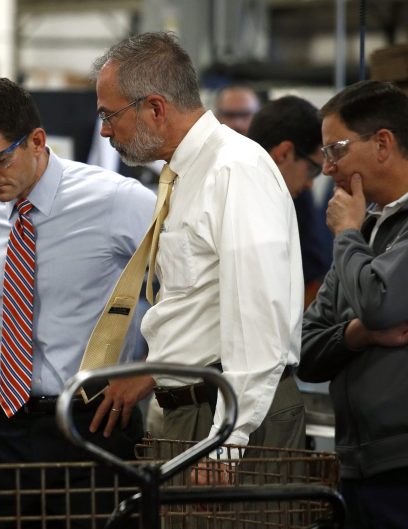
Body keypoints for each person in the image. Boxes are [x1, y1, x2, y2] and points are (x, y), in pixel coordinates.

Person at [0, 76, 156, 526]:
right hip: (4, 425)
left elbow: (183, 292)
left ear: (37, 141)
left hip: (95, 422)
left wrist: (149, 373)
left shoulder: (119, 201)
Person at [91, 32, 305, 475]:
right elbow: (199, 309)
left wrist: (230, 439)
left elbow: (259, 316)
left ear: (155, 107)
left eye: (110, 115)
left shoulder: (235, 170)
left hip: (231, 416)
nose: (105, 130)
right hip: (196, 411)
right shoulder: (187, 175)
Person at [299, 80, 408, 529]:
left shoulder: (356, 232)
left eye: (337, 149)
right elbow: (305, 349)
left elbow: (381, 305)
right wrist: (357, 334)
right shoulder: (369, 229)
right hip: (356, 462)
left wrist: (346, 234)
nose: (327, 168)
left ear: (382, 143)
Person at [247, 95, 331, 307]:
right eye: (312, 169)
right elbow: (310, 282)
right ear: (283, 154)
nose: (310, 184)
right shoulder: (294, 198)